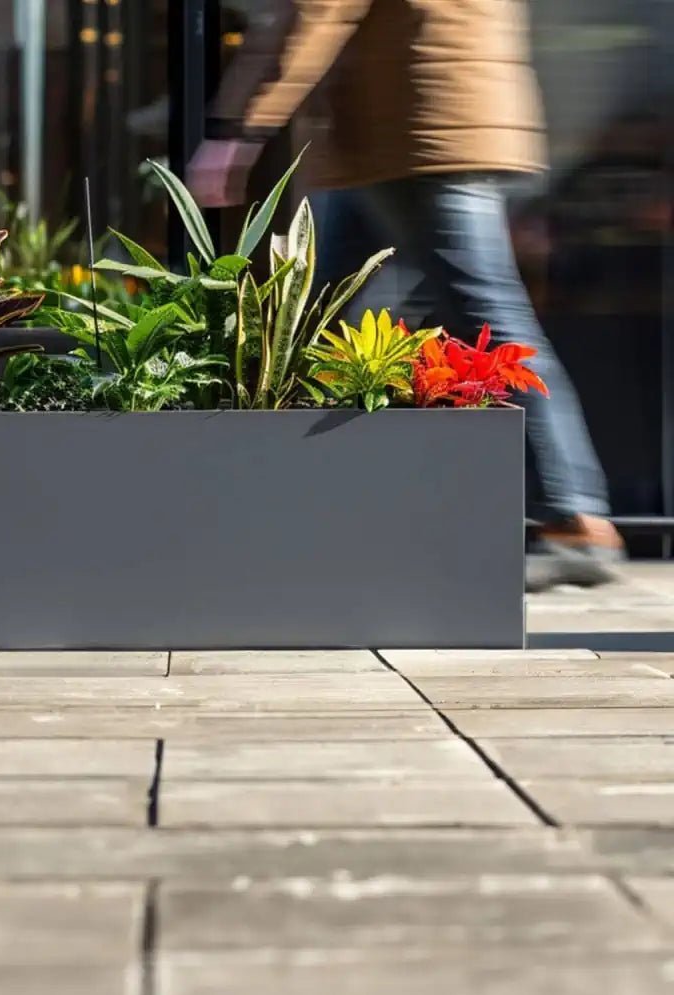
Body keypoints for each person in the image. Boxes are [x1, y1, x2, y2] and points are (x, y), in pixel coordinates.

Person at [188, 0, 624, 591]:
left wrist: (238, 130)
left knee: (471, 317)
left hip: (413, 132)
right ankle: (268, 504)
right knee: (312, 322)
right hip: (420, 127)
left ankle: (573, 514)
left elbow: (317, 11)